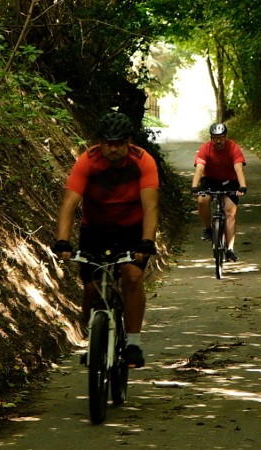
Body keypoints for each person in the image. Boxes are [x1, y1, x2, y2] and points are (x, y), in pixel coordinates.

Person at [51, 111, 159, 368]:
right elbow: (69, 204)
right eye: (108, 142)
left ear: (128, 142)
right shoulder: (87, 161)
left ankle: (132, 343)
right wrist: (63, 240)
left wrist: (146, 241)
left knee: (132, 276)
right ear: (99, 142)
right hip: (95, 228)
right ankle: (95, 341)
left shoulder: (143, 161)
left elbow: (151, 206)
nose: (113, 149)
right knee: (91, 287)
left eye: (119, 143)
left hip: (132, 229)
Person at [190, 123, 247, 262]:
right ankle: (209, 229)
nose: (218, 141)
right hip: (210, 179)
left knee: (230, 212)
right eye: (215, 138)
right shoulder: (205, 148)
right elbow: (199, 168)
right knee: (202, 200)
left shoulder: (233, 148)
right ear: (211, 138)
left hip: (230, 181)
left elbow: (238, 168)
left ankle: (230, 249)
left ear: (225, 137)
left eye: (221, 138)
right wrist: (194, 187)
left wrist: (242, 186)